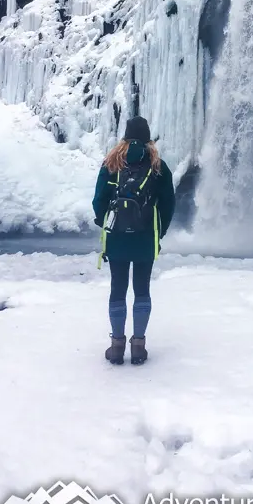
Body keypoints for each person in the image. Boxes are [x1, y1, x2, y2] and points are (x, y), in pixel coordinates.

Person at [93, 116, 175, 365]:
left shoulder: (111, 164)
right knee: (142, 290)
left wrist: (104, 223)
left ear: (125, 137)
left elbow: (98, 201)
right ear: (148, 138)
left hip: (116, 239)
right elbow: (169, 204)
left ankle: (117, 346)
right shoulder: (158, 166)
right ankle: (138, 346)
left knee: (117, 290)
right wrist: (158, 233)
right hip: (145, 240)